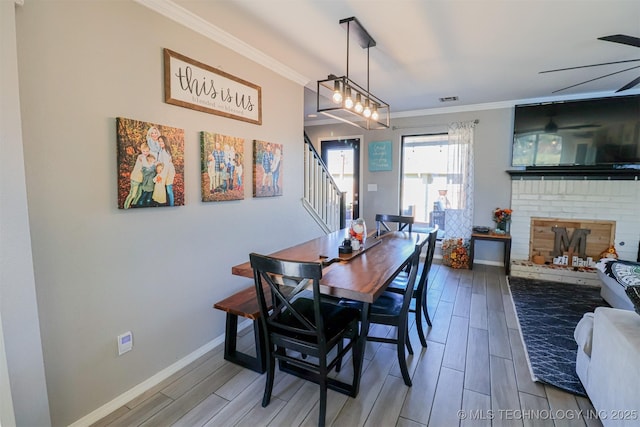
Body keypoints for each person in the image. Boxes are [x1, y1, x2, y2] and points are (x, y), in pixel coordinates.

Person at [123, 142, 150, 209]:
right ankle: (125, 207)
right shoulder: (140, 157)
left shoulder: (148, 158)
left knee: (139, 194)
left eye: (147, 151)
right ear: (141, 150)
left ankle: (133, 205)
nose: (146, 153)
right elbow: (146, 165)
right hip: (135, 179)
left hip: (141, 180)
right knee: (133, 195)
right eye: (144, 151)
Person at [157, 135, 175, 206]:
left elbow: (167, 164)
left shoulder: (166, 151)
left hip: (168, 172)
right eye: (159, 141)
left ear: (165, 141)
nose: (160, 143)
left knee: (169, 189)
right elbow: (160, 161)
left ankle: (172, 204)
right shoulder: (161, 150)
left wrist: (162, 174)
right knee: (165, 188)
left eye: (162, 141)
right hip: (164, 171)